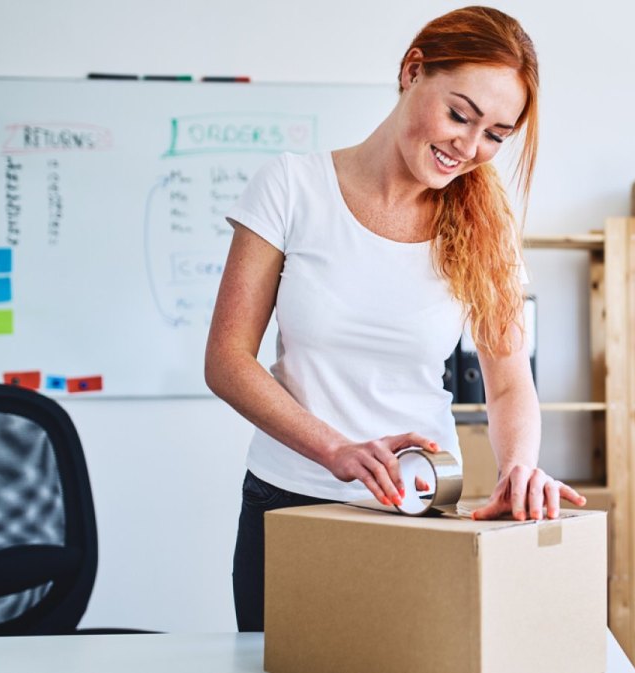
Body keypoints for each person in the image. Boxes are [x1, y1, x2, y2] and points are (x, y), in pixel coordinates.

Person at [205, 6, 586, 632]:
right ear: (413, 71)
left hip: (422, 506)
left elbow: (510, 382)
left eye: (495, 134)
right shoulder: (292, 187)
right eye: (460, 114)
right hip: (289, 497)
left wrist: (518, 464)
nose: (468, 147)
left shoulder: (487, 230)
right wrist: (338, 450)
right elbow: (226, 361)